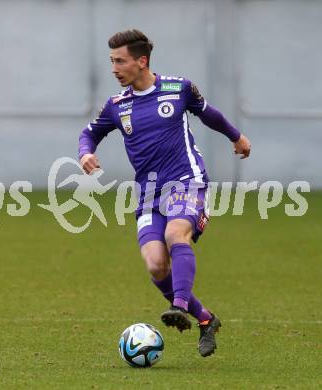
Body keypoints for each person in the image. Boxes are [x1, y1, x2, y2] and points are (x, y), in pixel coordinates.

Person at [78, 29, 251, 357]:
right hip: (148, 195)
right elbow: (90, 133)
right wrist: (85, 152)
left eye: (120, 61)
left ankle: (180, 305)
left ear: (141, 61)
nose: (114, 68)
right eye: (112, 61)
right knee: (156, 265)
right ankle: (205, 320)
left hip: (187, 181)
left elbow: (208, 112)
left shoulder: (178, 88)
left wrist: (236, 136)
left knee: (176, 234)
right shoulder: (117, 106)